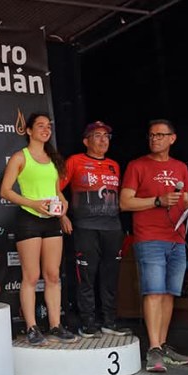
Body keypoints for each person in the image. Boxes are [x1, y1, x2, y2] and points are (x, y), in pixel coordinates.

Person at [120, 119, 188, 372]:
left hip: (177, 238)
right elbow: (125, 202)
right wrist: (157, 201)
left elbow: (184, 199)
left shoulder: (180, 167)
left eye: (160, 135)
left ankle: (162, 344)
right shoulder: (137, 165)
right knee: (154, 291)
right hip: (149, 237)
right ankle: (153, 349)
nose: (155, 139)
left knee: (170, 292)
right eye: (151, 135)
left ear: (172, 138)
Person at [0, 112, 77, 345]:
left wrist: (64, 206)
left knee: (52, 274)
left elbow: (56, 190)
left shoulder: (53, 159)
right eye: (40, 126)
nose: (46, 129)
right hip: (29, 219)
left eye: (48, 126)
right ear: (29, 131)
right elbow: (5, 191)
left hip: (52, 220)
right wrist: (33, 203)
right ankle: (32, 327)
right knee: (31, 276)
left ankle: (55, 325)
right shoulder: (20, 157)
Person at [60, 121, 132, 338]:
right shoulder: (75, 161)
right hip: (85, 227)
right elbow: (55, 188)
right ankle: (88, 323)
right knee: (86, 277)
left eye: (106, 136)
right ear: (86, 141)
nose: (103, 140)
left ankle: (110, 321)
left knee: (110, 277)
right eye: (97, 135)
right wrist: (62, 215)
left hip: (112, 228)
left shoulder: (114, 165)